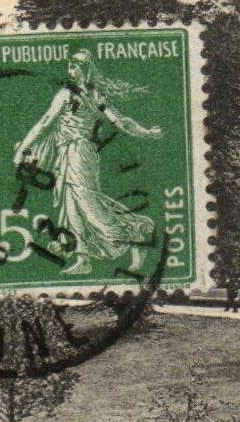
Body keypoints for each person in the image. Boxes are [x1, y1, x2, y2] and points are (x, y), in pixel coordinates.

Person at [13, 48, 163, 277]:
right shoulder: (80, 94)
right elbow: (47, 123)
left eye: (78, 65)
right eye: (71, 65)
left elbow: (121, 122)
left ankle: (137, 231)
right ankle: (83, 258)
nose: (73, 69)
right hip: (68, 153)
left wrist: (148, 133)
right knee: (72, 207)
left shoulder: (85, 95)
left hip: (80, 153)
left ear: (86, 69)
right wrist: (148, 133)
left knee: (89, 205)